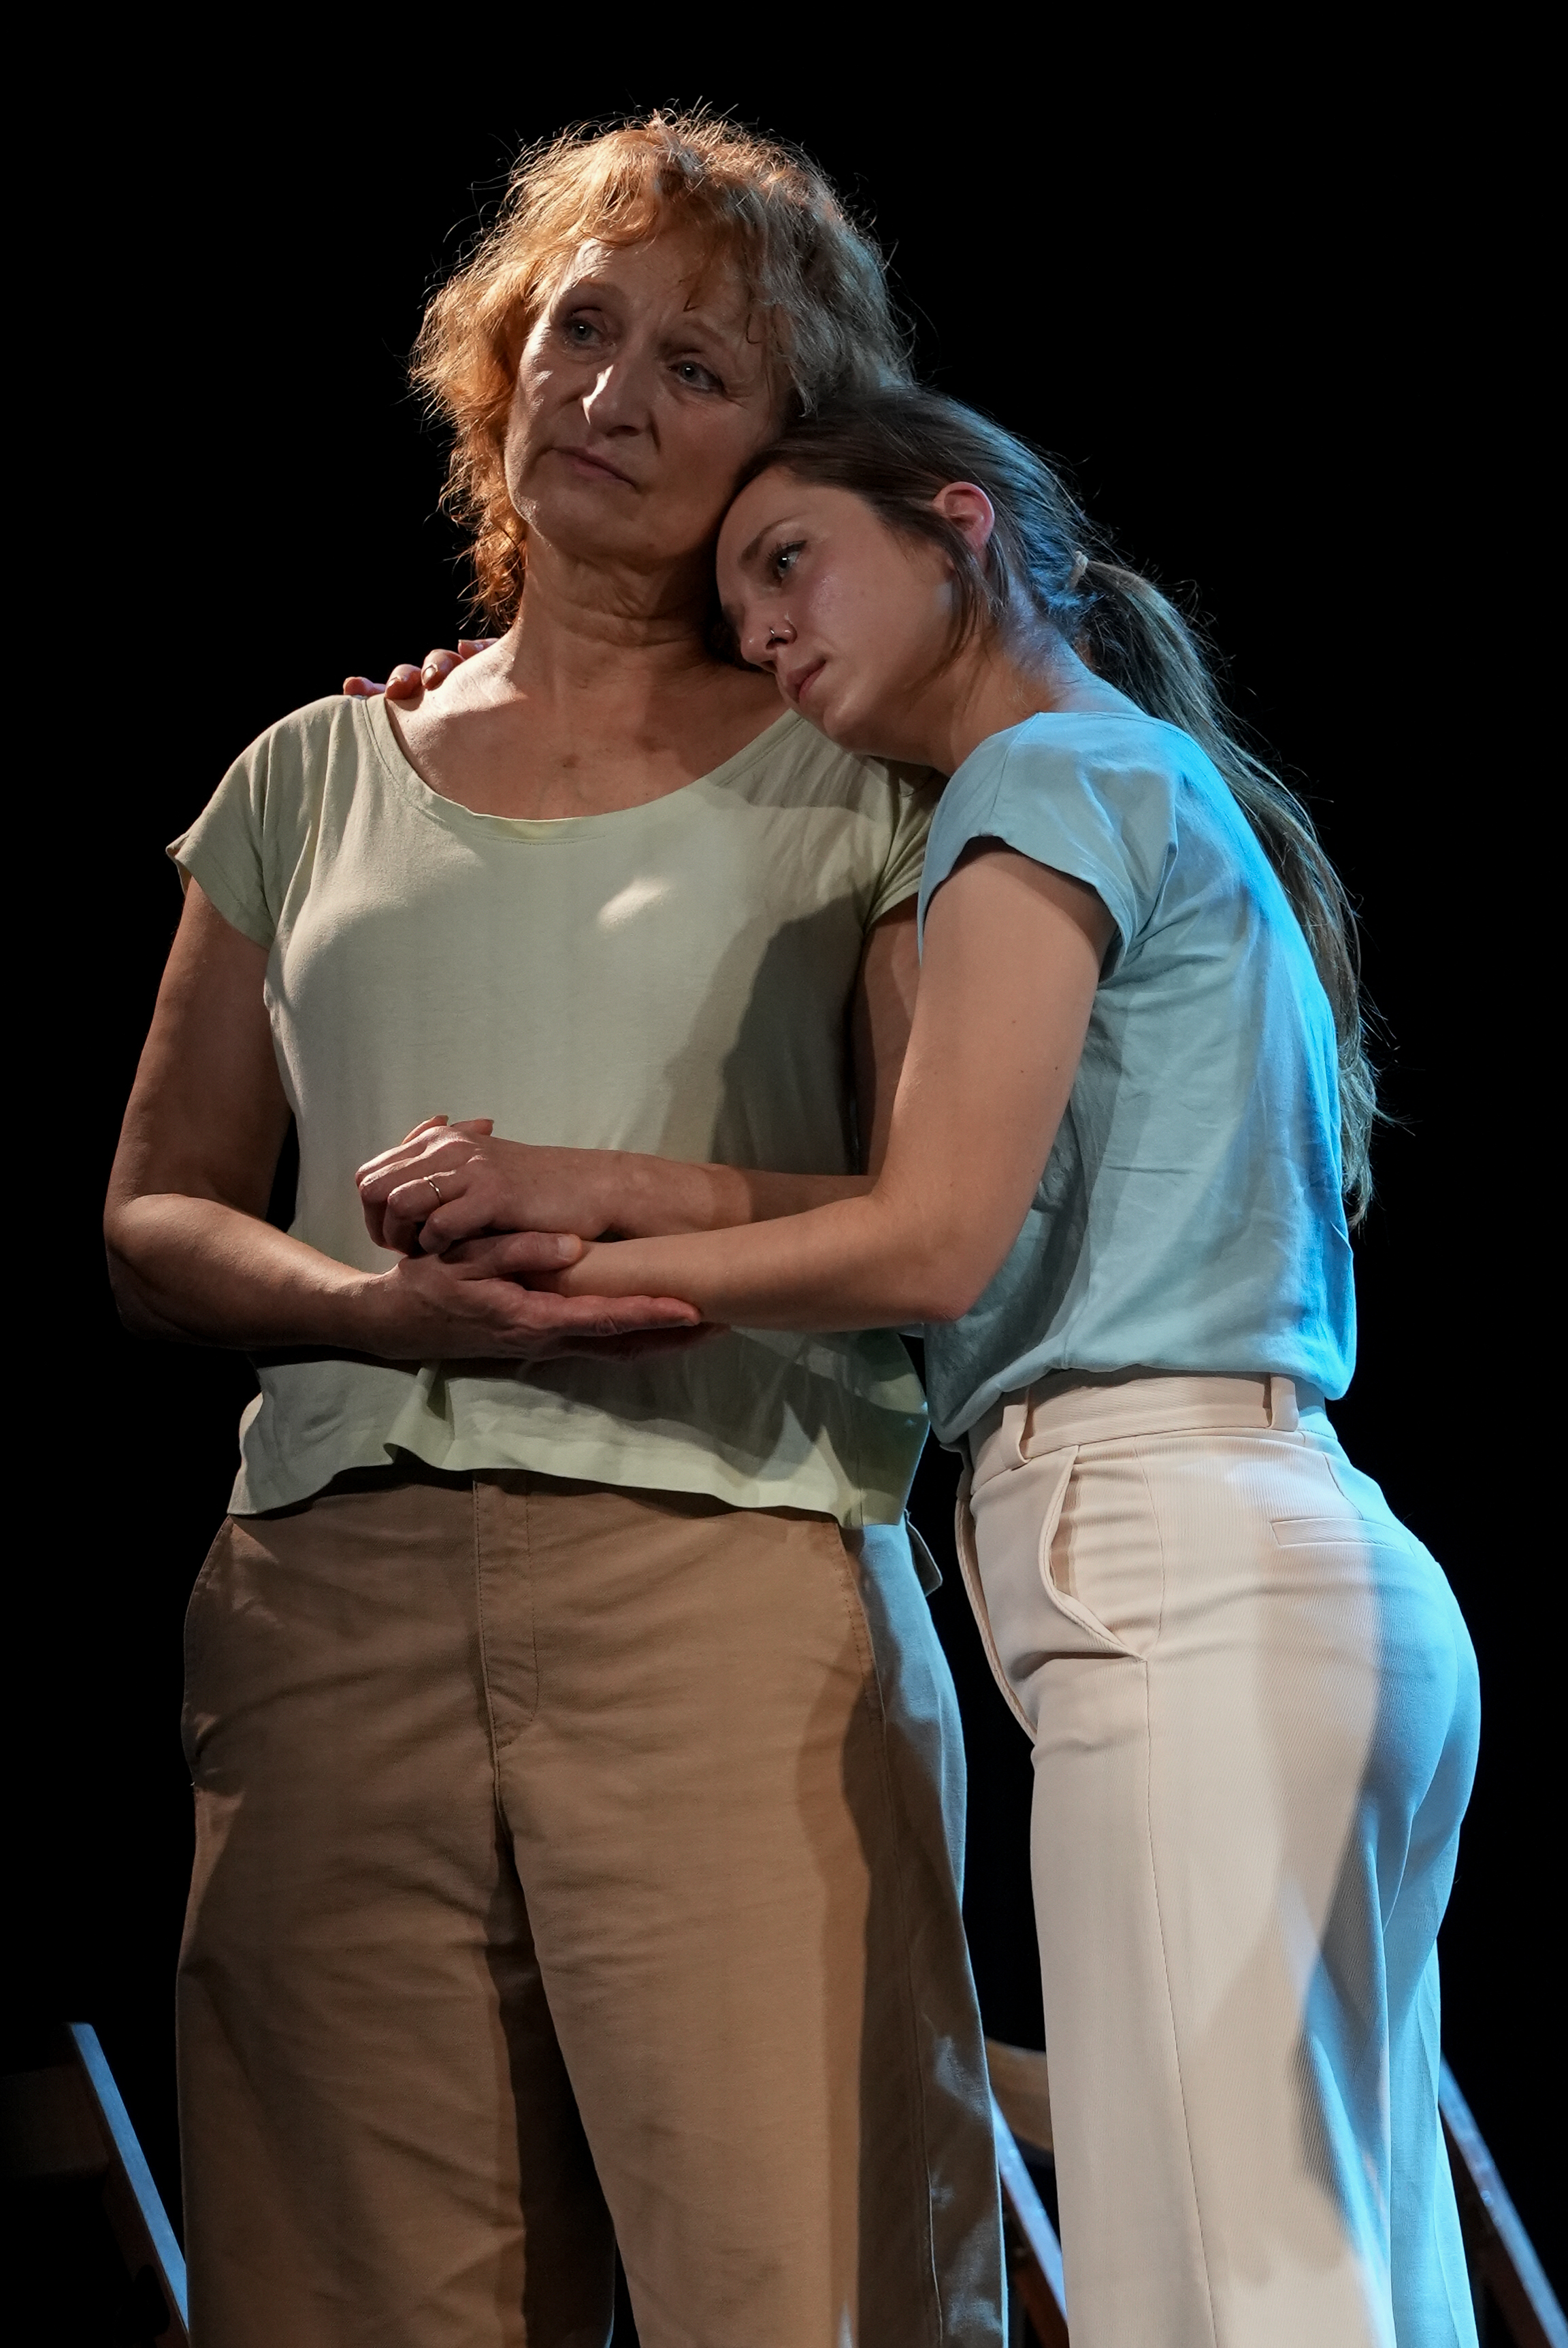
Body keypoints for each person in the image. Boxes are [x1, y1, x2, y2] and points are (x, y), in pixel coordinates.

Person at [385, 387, 1480, 2347]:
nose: (767, 632)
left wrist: (601, 1281)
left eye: (790, 563)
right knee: (1339, 2277)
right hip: (1303, 1557)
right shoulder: (1137, 773)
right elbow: (939, 1187)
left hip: (1169, 1552)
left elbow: (930, 1242)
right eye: (740, 607)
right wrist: (590, 1183)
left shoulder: (1036, 781)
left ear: (962, 527)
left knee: (1219, 2295)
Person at [105, 123, 1005, 2347]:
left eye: (697, 367)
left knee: (807, 2282)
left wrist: (614, 1239)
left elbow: (943, 1210)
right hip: (333, 1605)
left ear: (786, 446)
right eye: (579, 330)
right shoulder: (312, 772)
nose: (608, 393)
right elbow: (155, 1216)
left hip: (728, 1590)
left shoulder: (865, 781)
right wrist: (372, 1308)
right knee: (345, 2298)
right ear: (498, 364)